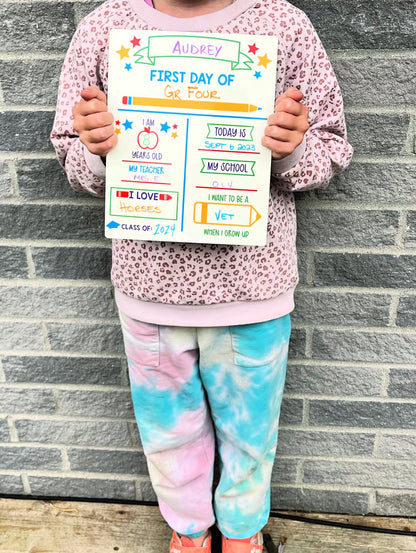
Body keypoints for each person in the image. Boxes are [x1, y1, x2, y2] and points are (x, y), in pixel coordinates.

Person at [51, 0, 353, 551]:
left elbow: (333, 148)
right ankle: (189, 530)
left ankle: (242, 534)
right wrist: (97, 151)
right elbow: (70, 154)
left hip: (252, 288)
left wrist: (290, 150)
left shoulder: (282, 24)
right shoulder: (103, 28)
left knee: (251, 434)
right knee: (167, 435)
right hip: (148, 289)